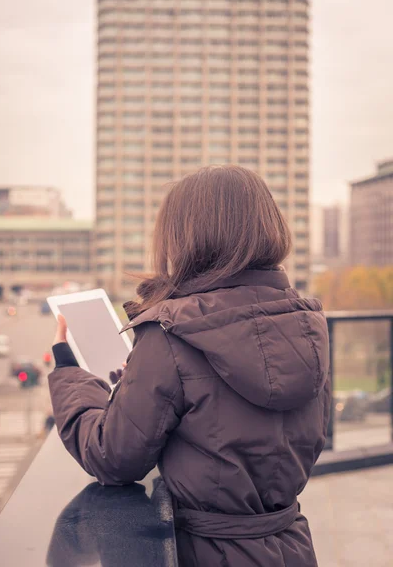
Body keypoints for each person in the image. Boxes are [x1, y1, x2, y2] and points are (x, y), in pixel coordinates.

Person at [49, 166, 331, 567]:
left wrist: (68, 374)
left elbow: (112, 458)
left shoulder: (171, 332)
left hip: (206, 553)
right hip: (291, 546)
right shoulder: (307, 324)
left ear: (181, 237)